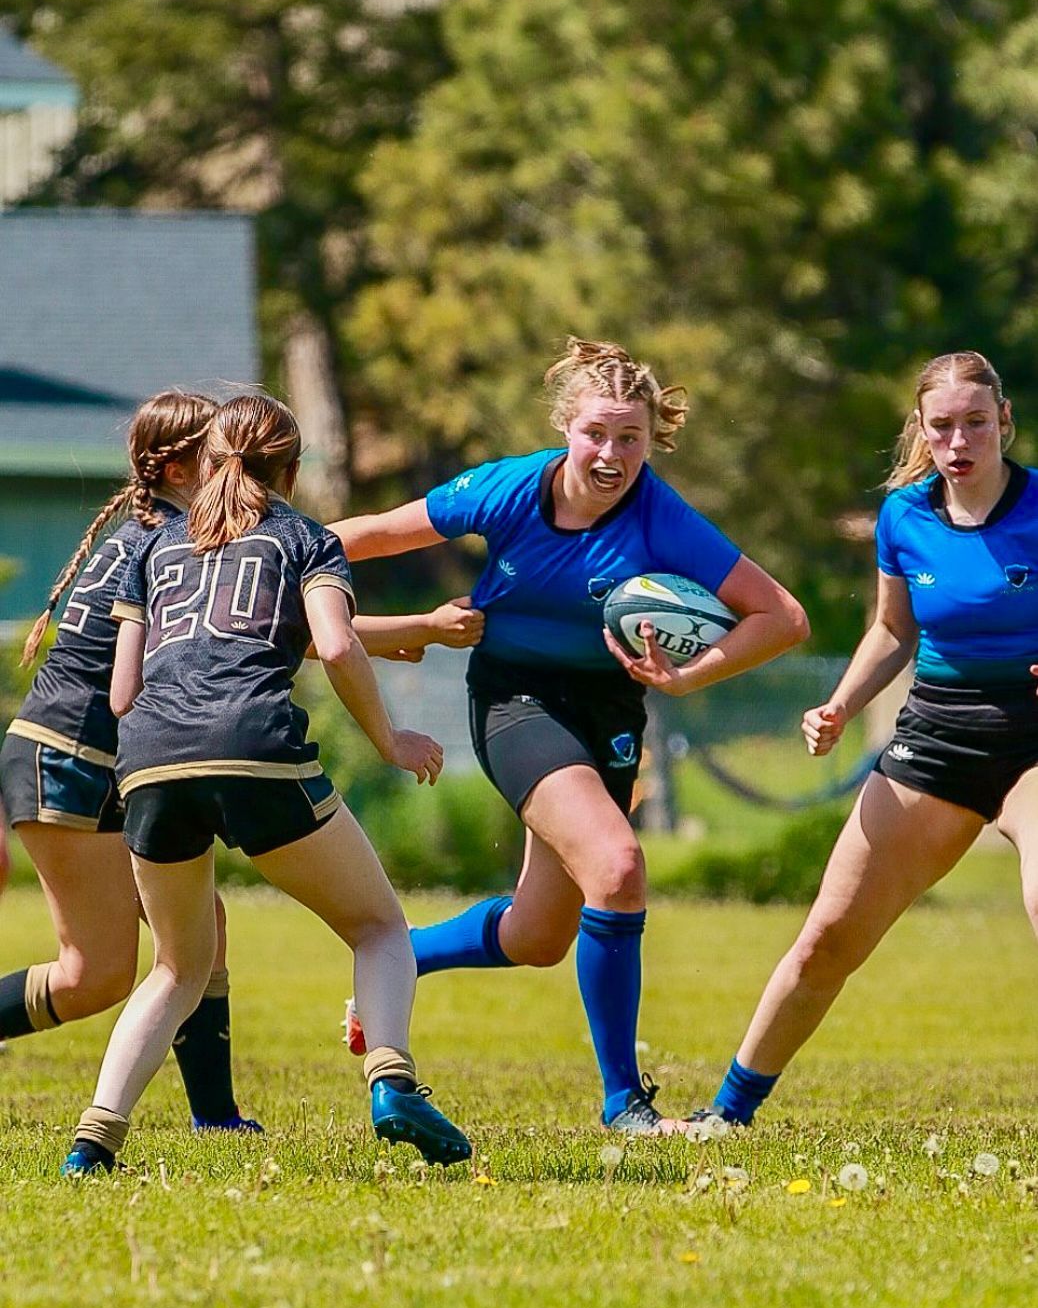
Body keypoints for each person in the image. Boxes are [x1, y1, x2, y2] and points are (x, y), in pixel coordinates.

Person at [332, 338, 808, 1134]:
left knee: (538, 934)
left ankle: (398, 957)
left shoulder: (662, 517)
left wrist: (688, 676)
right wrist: (267, 551)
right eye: (596, 433)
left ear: (654, 438)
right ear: (564, 428)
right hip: (514, 702)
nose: (613, 454)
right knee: (618, 869)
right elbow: (375, 533)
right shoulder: (509, 489)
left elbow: (782, 618)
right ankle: (625, 1103)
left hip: (609, 714)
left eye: (631, 437)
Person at [61, 394, 471, 1174]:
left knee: (179, 967)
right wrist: (389, 740)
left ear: (211, 459)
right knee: (379, 929)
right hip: (254, 746)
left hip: (147, 758)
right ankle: (392, 1082)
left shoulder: (157, 546)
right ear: (291, 466)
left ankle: (92, 1140)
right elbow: (339, 646)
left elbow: (121, 694)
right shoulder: (304, 539)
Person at [699, 350, 1038, 1127]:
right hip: (938, 737)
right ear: (922, 429)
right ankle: (727, 1113)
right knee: (826, 940)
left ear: (1004, 423)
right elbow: (892, 628)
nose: (960, 442)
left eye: (976, 424)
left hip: (1032, 741)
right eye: (943, 426)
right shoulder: (905, 517)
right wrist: (841, 706)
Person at [0, 392, 260, 1131]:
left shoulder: (161, 532)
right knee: (95, 977)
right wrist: (406, 628)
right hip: (69, 758)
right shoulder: (171, 542)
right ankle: (213, 1117)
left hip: (88, 758)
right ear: (179, 467)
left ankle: (217, 1118)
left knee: (198, 924)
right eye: (221, 455)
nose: (237, 470)